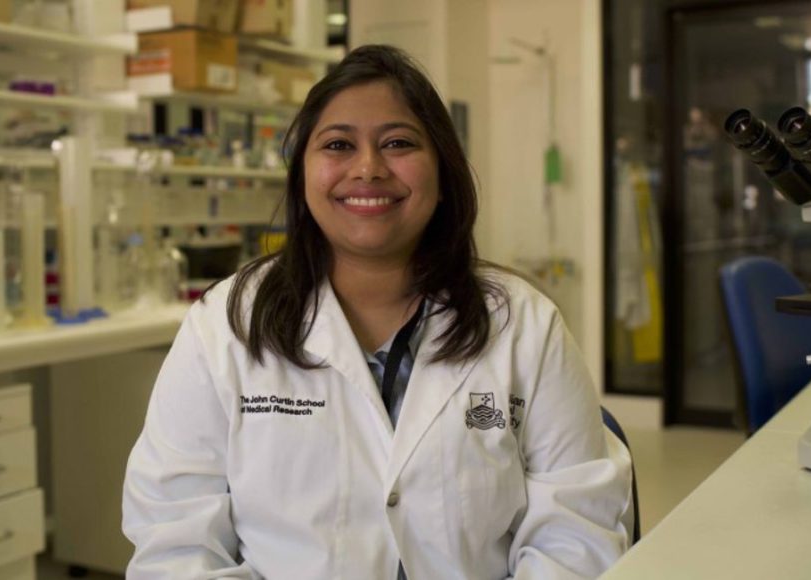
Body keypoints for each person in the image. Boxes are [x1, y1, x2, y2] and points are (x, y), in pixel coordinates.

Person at [123, 44, 634, 579]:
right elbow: (174, 539)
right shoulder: (223, 326)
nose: (368, 168)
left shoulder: (527, 326)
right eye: (339, 144)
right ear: (303, 173)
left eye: (398, 143)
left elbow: (576, 532)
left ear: (442, 175)